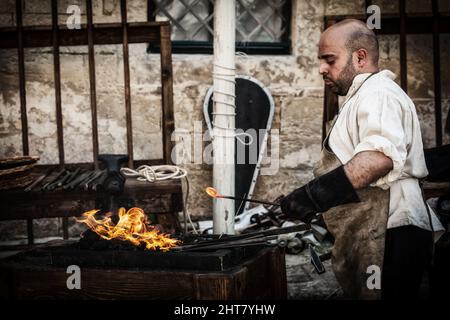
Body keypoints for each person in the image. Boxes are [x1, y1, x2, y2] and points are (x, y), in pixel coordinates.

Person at [280, 19, 444, 299]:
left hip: (392, 232)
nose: (322, 68)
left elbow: (378, 158)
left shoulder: (378, 94)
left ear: (360, 57)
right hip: (377, 230)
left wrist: (313, 196)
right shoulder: (363, 96)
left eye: (329, 60)